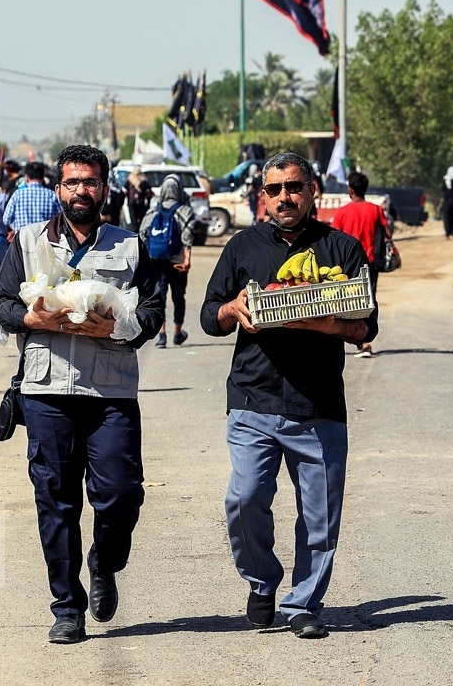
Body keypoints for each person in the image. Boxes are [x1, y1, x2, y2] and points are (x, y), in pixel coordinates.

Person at [0, 144, 165, 645]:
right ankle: (67, 608)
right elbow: (1, 302)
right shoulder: (27, 243)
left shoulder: (129, 246)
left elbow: (151, 313)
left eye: (90, 182)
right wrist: (31, 319)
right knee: (56, 500)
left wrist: (112, 328)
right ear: (57, 189)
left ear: (104, 189)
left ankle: (104, 563)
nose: (81, 191)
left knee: (121, 493)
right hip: (46, 391)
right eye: (72, 182)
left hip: (110, 391)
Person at [201, 152, 378, 640]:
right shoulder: (242, 247)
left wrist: (308, 317)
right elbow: (209, 316)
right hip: (252, 399)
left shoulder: (341, 250)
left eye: (294, 187)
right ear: (263, 196)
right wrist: (234, 309)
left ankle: (304, 603)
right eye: (276, 189)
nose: (285, 197)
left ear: (313, 191)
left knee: (319, 519)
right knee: (244, 498)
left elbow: (366, 326)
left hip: (318, 405)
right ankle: (262, 583)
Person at [331, 170, 390, 358]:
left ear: (350, 190)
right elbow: (388, 232)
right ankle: (364, 342)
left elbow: (332, 240)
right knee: (368, 300)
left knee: (345, 302)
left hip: (345, 266)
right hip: (370, 263)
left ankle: (347, 339)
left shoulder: (342, 213)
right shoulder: (375, 210)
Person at [139, 174, 194, 348]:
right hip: (177, 262)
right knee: (179, 297)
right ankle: (177, 334)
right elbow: (188, 237)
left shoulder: (153, 209)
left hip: (156, 261)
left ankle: (161, 335)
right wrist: (187, 259)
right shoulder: (185, 210)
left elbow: (143, 233)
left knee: (159, 297)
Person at [3, 161, 61, 237]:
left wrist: (16, 227)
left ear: (27, 177)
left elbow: (6, 220)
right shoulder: (52, 195)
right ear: (43, 176)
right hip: (45, 242)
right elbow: (61, 220)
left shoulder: (17, 195)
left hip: (22, 241)